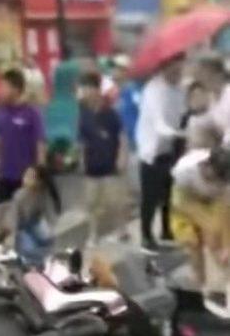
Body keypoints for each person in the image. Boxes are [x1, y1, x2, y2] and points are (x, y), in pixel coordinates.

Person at [171, 145, 230, 313]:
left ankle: (221, 288)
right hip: (186, 201)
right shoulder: (184, 170)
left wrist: (226, 245)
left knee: (219, 244)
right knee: (192, 243)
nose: (219, 181)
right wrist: (203, 226)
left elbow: (226, 213)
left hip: (214, 202)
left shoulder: (225, 182)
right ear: (207, 165)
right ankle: (200, 289)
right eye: (216, 176)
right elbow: (181, 204)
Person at [136, 53, 186, 249]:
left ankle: (167, 229)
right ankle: (146, 235)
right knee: (150, 196)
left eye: (180, 67)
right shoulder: (153, 90)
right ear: (164, 67)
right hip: (152, 151)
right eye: (174, 68)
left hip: (173, 148)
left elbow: (183, 114)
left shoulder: (180, 89)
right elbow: (159, 125)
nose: (178, 72)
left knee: (170, 193)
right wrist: (181, 133)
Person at [78, 72, 129, 247]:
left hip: (110, 163)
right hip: (92, 164)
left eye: (87, 88)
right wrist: (82, 160)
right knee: (91, 203)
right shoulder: (84, 113)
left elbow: (122, 136)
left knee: (114, 201)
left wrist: (121, 157)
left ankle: (122, 230)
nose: (85, 92)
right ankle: (92, 234)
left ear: (96, 90)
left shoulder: (110, 113)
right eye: (83, 88)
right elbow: (82, 140)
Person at [0, 68, 46, 232]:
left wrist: (39, 172)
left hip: (25, 178)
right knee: (3, 223)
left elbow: (40, 144)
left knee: (26, 224)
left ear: (16, 89)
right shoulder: (1, 113)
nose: (0, 91)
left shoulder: (32, 113)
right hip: (5, 176)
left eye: (4, 87)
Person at [1, 165, 61, 267]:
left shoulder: (43, 195)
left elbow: (49, 214)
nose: (25, 178)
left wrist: (51, 229)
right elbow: (13, 219)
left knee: (46, 241)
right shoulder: (19, 195)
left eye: (30, 177)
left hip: (35, 224)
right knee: (27, 248)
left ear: (39, 181)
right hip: (21, 227)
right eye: (25, 175)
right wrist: (11, 236)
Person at [194, 53, 230, 146]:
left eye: (206, 75)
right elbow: (207, 122)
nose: (202, 80)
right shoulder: (212, 98)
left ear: (219, 75)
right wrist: (198, 110)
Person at [175, 81, 209, 159]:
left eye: (200, 96)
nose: (198, 99)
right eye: (194, 96)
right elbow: (179, 143)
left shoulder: (212, 116)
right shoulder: (185, 119)